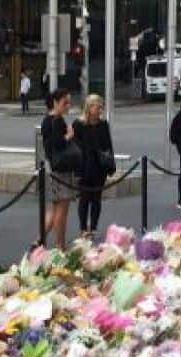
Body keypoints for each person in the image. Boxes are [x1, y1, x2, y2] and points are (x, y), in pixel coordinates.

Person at [72, 94, 113, 238]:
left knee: (97, 198)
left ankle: (93, 227)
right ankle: (83, 228)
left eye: (101, 106)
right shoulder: (78, 124)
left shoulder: (103, 124)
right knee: (84, 199)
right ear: (89, 107)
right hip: (84, 167)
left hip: (99, 167)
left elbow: (108, 146)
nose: (100, 109)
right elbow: (75, 148)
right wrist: (77, 170)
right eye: (97, 106)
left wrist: (110, 166)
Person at [40, 88, 75, 250]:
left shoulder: (46, 120)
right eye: (65, 102)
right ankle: (60, 245)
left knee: (53, 209)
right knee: (62, 209)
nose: (68, 106)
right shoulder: (57, 120)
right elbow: (58, 143)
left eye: (69, 102)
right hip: (61, 169)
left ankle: (39, 239)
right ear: (55, 102)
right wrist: (69, 135)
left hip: (51, 167)